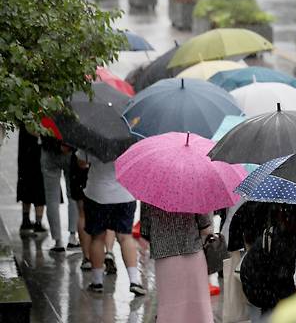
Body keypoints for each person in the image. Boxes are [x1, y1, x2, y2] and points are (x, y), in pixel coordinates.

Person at [77, 150, 145, 295]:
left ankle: (97, 282)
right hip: (125, 193)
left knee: (98, 237)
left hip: (97, 194)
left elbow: (82, 163)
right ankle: (134, 280)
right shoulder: (129, 136)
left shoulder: (91, 135)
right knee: (125, 237)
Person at [140, 202, 214, 323]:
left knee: (170, 304)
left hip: (164, 254)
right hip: (192, 250)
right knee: (198, 304)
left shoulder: (151, 193)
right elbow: (204, 223)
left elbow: (145, 229)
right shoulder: (192, 186)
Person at [40, 135, 79, 252]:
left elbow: (35, 129)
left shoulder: (45, 116)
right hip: (69, 151)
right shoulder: (73, 116)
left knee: (51, 199)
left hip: (48, 151)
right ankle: (72, 236)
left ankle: (58, 241)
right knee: (73, 196)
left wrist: (52, 142)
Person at [16, 125, 47, 235]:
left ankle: (25, 220)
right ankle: (38, 222)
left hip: (25, 151)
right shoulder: (42, 112)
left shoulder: (23, 112)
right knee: (39, 183)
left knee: (26, 182)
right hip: (38, 152)